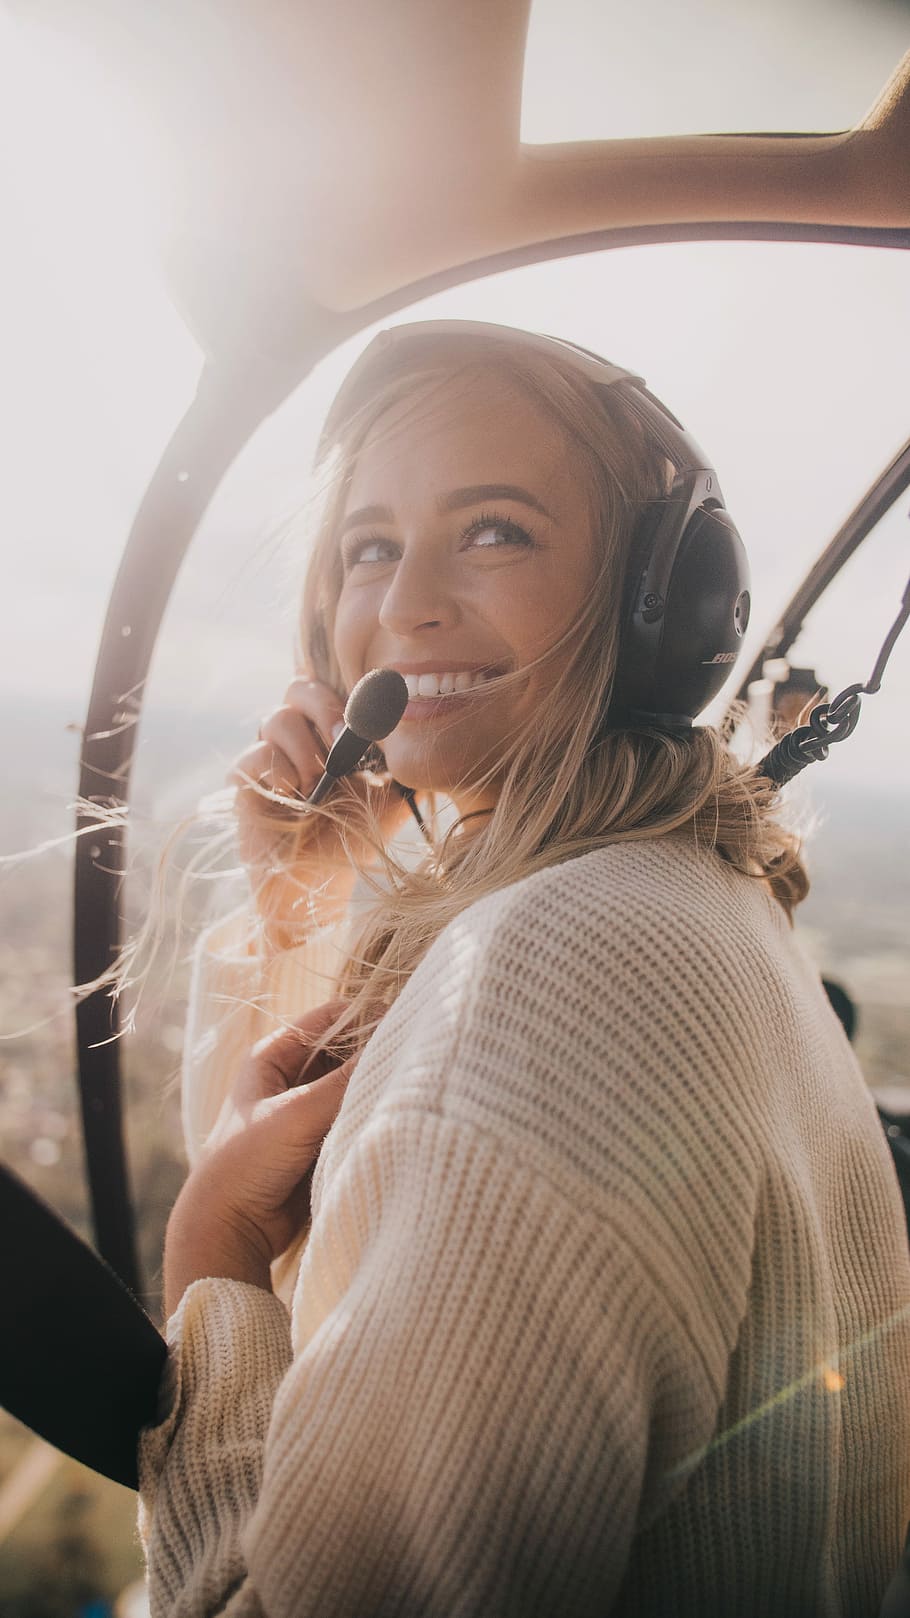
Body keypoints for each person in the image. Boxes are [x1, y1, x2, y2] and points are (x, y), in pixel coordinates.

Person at [139, 321, 910, 1617]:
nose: (403, 606)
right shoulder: (681, 889)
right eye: (369, 547)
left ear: (661, 603)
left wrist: (208, 1267)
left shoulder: (536, 980)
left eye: (492, 528)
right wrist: (295, 907)